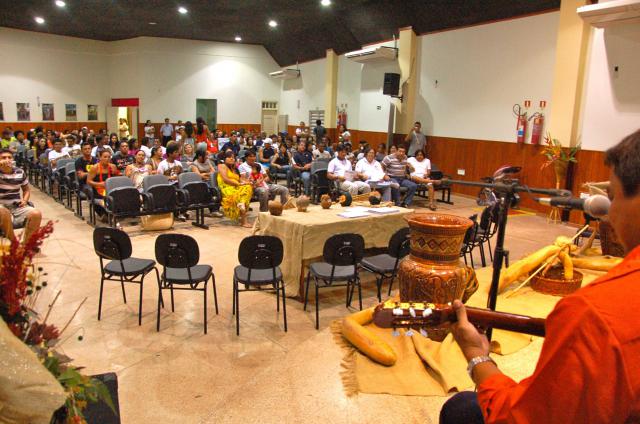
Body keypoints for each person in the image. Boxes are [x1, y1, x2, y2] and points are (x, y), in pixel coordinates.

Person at [441, 129, 640, 424]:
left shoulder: (595, 313)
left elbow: (520, 418)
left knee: (460, 410)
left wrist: (477, 356)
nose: (608, 213)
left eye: (611, 196)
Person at [0, 149, 42, 242]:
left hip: (16, 206)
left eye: (9, 157)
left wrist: (25, 200)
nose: (7, 160)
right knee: (2, 211)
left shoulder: (20, 172)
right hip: (1, 206)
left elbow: (26, 189)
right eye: (3, 158)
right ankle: (14, 242)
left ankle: (26, 245)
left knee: (36, 213)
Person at [217, 150, 252, 227]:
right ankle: (244, 221)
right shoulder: (221, 166)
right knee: (240, 195)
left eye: (233, 157)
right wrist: (239, 184)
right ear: (224, 159)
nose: (232, 159)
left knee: (248, 187)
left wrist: (247, 181)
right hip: (227, 188)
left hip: (236, 187)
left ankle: (241, 205)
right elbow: (226, 179)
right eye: (229, 157)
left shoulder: (234, 169)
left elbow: (240, 179)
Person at [87, 149, 120, 221]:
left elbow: (116, 178)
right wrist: (99, 184)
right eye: (105, 157)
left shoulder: (113, 166)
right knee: (104, 199)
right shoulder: (94, 168)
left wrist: (116, 174)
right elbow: (88, 181)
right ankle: (104, 214)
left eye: (109, 157)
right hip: (98, 189)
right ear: (100, 157)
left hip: (110, 189)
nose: (107, 159)